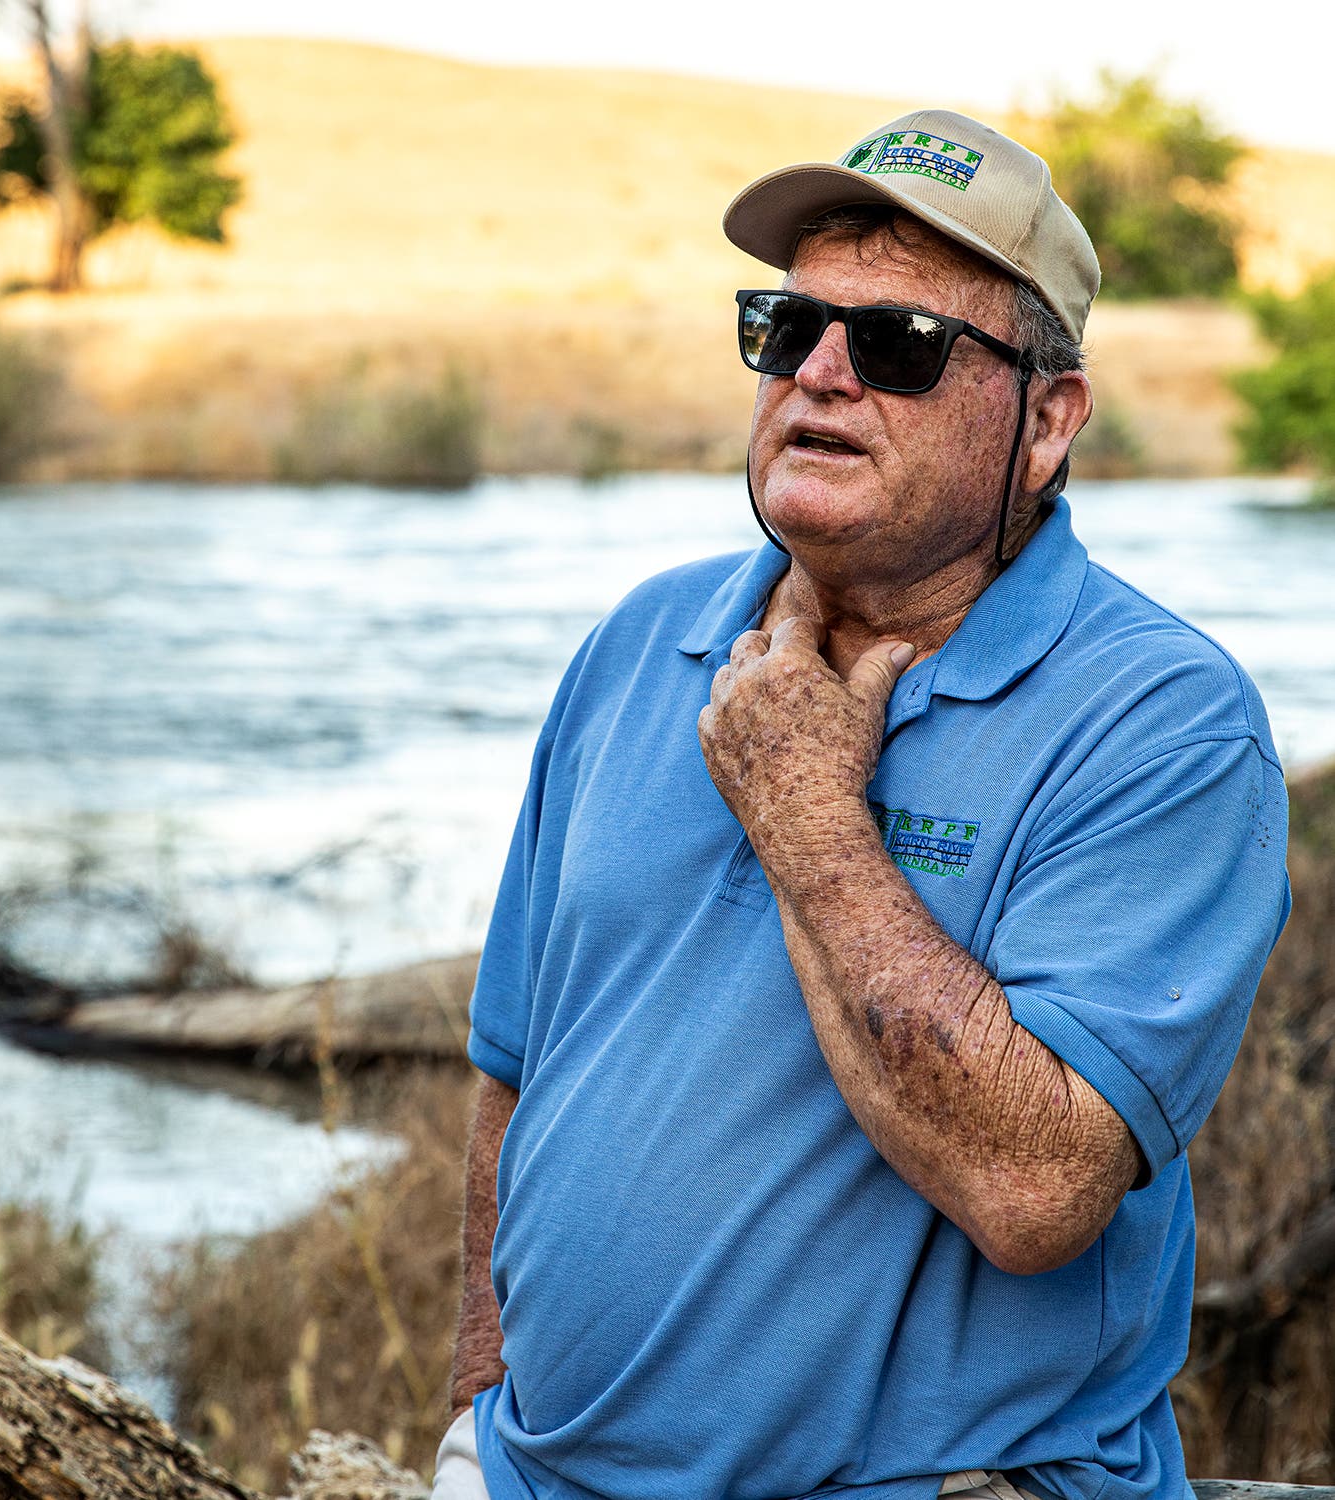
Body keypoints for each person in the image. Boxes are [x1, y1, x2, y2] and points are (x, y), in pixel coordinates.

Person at [432, 110, 1292, 1500]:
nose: (821, 374)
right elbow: (518, 1065)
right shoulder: (643, 641)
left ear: (1046, 424)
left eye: (900, 344)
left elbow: (1036, 1192)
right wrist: (478, 1415)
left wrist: (811, 818)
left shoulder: (1162, 721)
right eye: (786, 327)